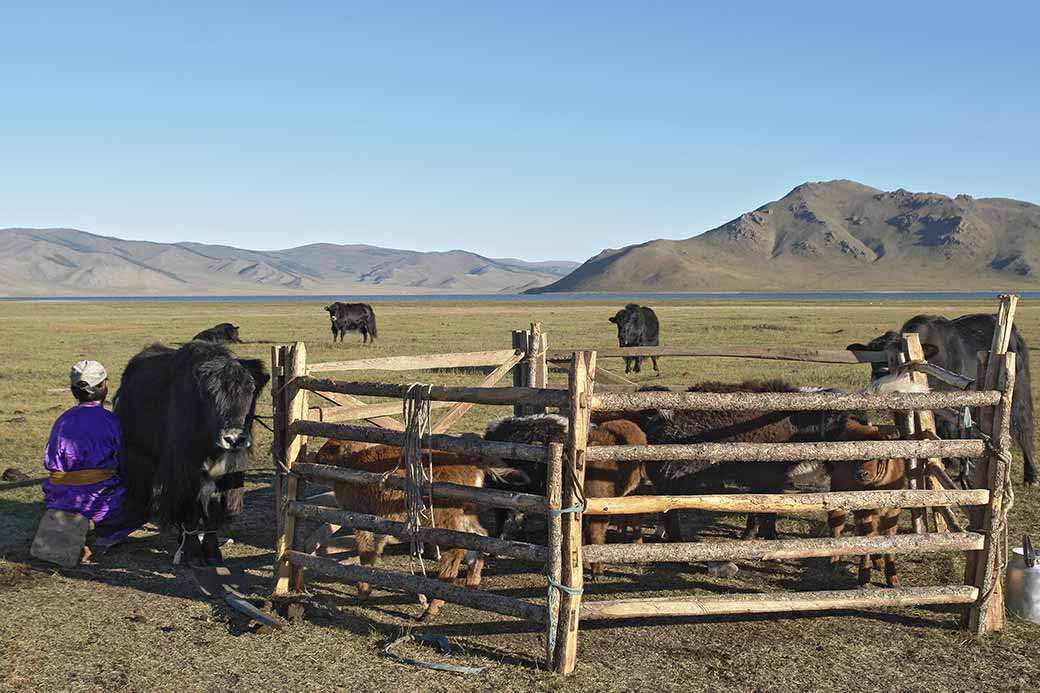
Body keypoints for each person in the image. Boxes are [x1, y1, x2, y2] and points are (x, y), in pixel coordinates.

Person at [43, 360, 140, 553]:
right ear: (105, 386)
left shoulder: (62, 420)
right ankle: (106, 535)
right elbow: (124, 462)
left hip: (59, 499)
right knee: (141, 504)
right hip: (96, 502)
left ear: (73, 390)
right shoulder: (111, 422)